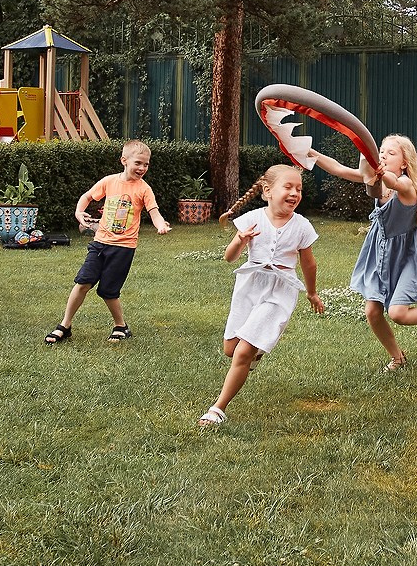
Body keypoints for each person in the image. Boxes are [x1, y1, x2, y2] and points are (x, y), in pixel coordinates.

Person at [200, 165, 324, 426]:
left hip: (280, 291)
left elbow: (309, 264)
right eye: (288, 187)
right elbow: (229, 257)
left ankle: (217, 409)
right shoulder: (251, 219)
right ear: (267, 191)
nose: (294, 193)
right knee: (230, 349)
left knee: (242, 353)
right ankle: (252, 355)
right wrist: (240, 241)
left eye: (299, 189)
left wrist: (311, 293)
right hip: (249, 286)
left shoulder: (302, 226)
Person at [313, 134, 417, 369]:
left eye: (390, 153)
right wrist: (311, 154)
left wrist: (377, 171)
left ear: (404, 163)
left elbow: (394, 183)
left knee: (398, 313)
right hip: (380, 250)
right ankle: (397, 357)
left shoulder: (405, 185)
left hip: (406, 255)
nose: (383, 156)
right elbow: (338, 169)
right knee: (373, 312)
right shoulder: (376, 180)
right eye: (380, 152)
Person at [45, 140, 170, 344]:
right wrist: (79, 212)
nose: (142, 168)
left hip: (123, 248)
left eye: (146, 164)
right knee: (83, 282)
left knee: (108, 291)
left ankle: (121, 326)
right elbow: (87, 197)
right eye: (138, 163)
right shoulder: (109, 181)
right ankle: (64, 326)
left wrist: (160, 225)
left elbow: (154, 212)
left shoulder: (144, 189)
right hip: (100, 243)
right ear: (124, 160)